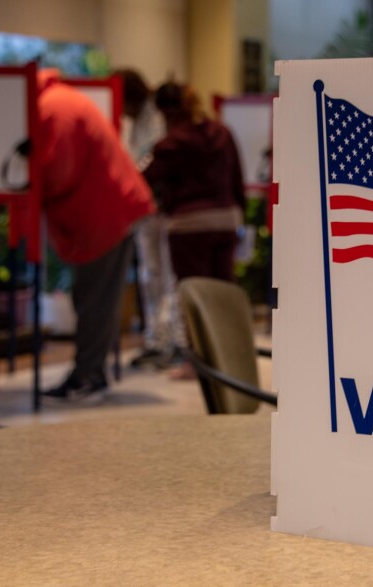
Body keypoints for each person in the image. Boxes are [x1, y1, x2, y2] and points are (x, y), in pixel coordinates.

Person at [36, 69, 156, 400]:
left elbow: (60, 168)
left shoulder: (51, 107)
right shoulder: (62, 100)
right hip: (112, 208)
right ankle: (89, 373)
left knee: (94, 300)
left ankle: (87, 377)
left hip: (103, 213)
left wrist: (31, 186)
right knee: (96, 298)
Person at [114, 68, 185, 370]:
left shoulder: (158, 117)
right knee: (149, 275)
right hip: (143, 209)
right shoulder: (129, 122)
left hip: (166, 208)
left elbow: (158, 160)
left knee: (168, 275)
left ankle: (174, 340)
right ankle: (155, 338)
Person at [143, 82, 246, 284]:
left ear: (164, 113)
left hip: (188, 224)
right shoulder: (223, 133)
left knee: (195, 294)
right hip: (226, 219)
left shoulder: (170, 144)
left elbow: (146, 179)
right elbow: (237, 178)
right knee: (224, 291)